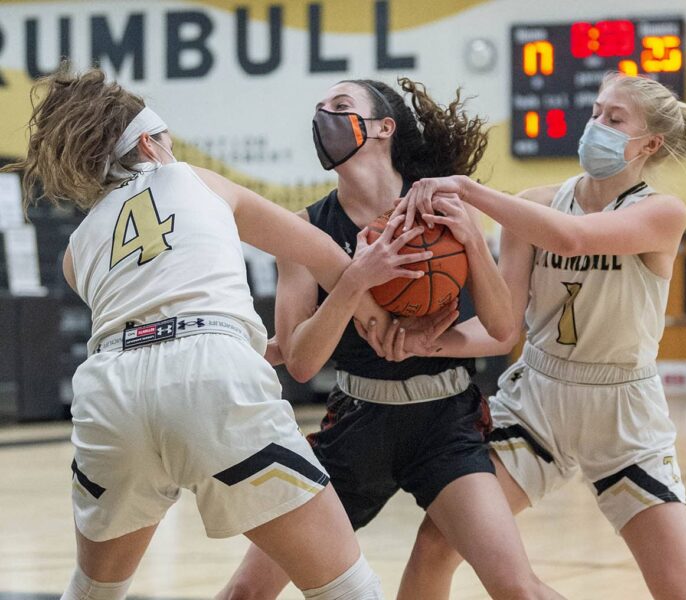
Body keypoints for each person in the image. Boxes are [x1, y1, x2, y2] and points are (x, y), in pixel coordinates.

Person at [1, 65, 456, 600]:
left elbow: (148, 313)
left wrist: (253, 346)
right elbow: (324, 255)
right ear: (148, 144)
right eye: (166, 139)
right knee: (348, 589)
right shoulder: (196, 179)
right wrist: (384, 326)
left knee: (92, 591)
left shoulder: (75, 252)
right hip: (209, 376)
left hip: (109, 391)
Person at [374, 72, 686, 599]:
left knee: (680, 591)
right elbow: (502, 329)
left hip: (623, 409)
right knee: (436, 543)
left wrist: (470, 192)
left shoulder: (661, 212)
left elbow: (571, 238)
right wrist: (428, 341)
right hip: (538, 400)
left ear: (650, 144)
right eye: (595, 112)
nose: (596, 125)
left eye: (615, 119)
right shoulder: (536, 203)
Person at [218, 78, 563, 599]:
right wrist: (356, 279)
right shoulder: (305, 228)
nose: (324, 118)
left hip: (443, 423)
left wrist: (470, 238)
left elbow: (501, 328)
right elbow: (302, 361)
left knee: (516, 587)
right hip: (355, 424)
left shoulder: (443, 205)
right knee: (247, 591)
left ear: (383, 128)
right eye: (319, 109)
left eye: (340, 106)